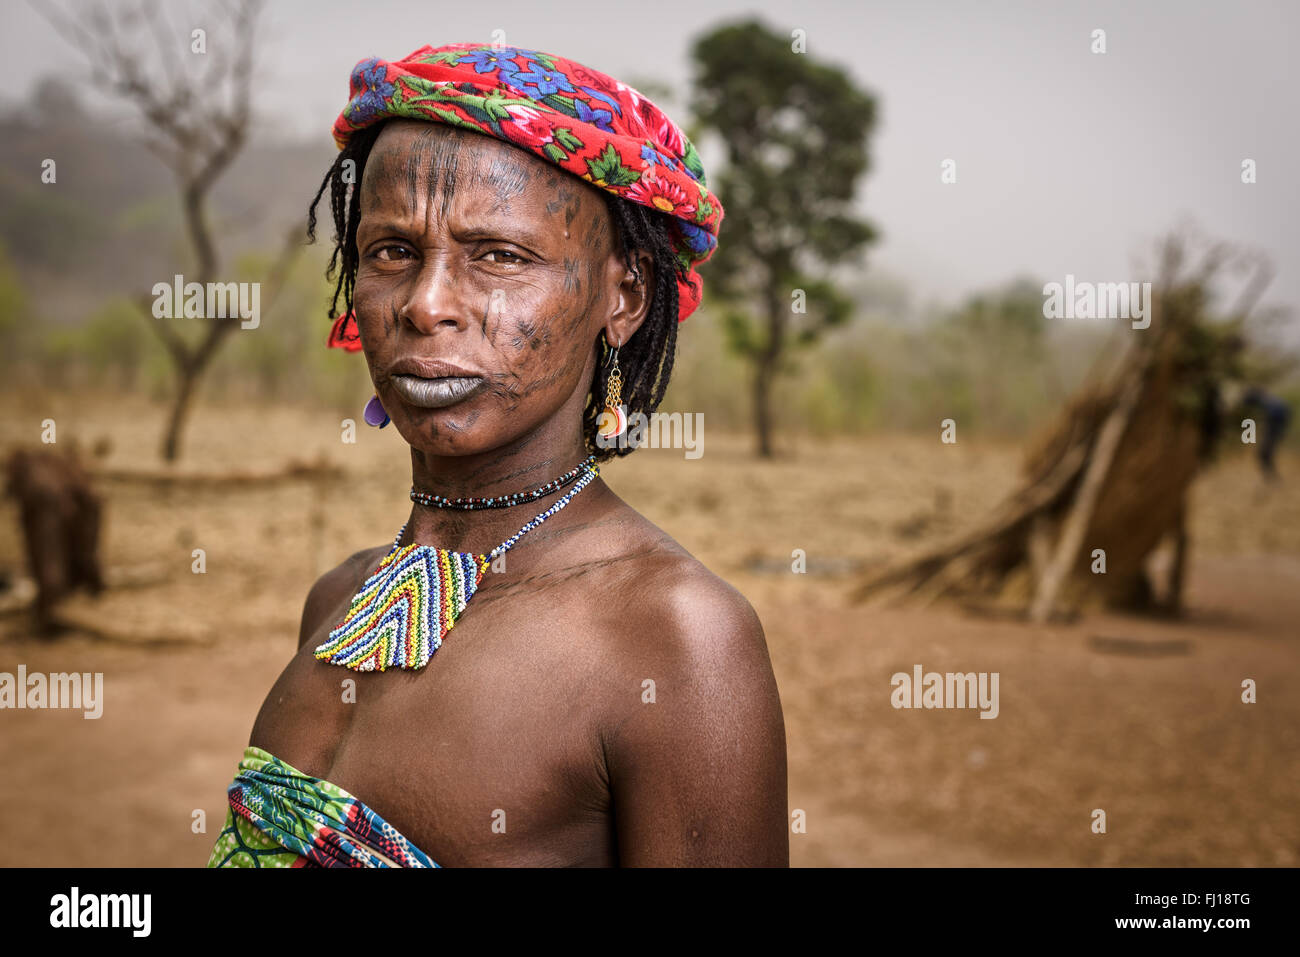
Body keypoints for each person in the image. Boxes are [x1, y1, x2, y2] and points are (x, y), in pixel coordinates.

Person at [207, 42, 788, 868]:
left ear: (622, 297)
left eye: (500, 257)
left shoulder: (676, 638)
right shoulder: (337, 597)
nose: (425, 304)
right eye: (391, 251)